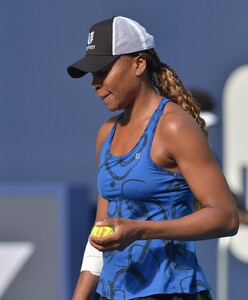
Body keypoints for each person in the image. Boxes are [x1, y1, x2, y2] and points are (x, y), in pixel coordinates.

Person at [67, 16, 239, 300]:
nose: (94, 83)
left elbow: (226, 217)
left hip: (174, 292)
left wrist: (140, 230)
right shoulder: (106, 133)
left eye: (103, 70)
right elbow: (100, 233)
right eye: (91, 74)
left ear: (138, 63)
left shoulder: (174, 126)